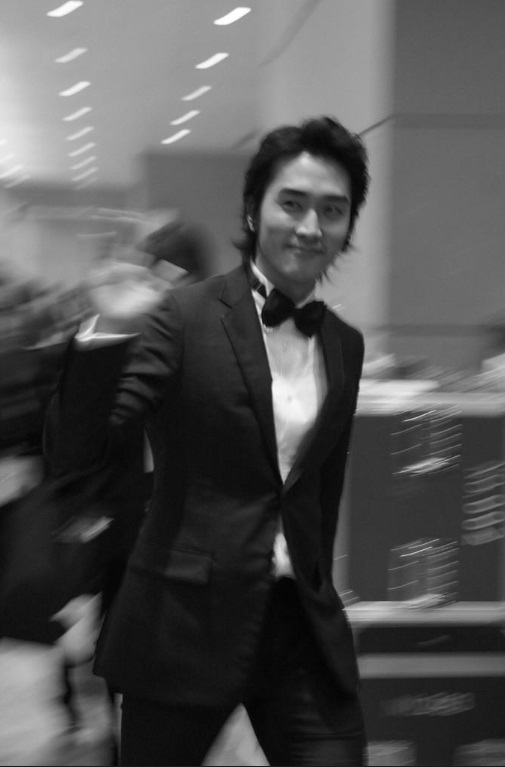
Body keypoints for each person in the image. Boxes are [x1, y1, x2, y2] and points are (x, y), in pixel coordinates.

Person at [45, 115, 370, 766]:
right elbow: (76, 449)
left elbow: (318, 490)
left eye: (332, 210)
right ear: (253, 209)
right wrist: (107, 330)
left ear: (346, 227)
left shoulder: (344, 344)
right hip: (185, 623)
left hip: (298, 628)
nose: (310, 226)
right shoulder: (186, 316)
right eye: (292, 203)